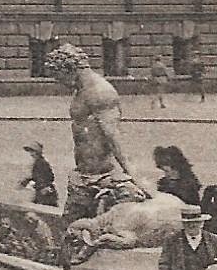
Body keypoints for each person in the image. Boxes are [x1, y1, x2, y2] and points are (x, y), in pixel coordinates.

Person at [45, 43, 151, 220]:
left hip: (102, 176)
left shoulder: (100, 92)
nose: (58, 82)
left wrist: (134, 175)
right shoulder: (81, 90)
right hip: (83, 175)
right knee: (72, 232)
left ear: (69, 68)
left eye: (58, 76)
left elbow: (113, 137)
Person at [19, 142, 59, 207]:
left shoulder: (41, 163)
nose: (31, 154)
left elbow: (50, 177)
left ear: (38, 152)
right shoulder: (38, 162)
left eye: (32, 152)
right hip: (42, 191)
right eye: (30, 152)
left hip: (45, 192)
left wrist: (43, 187)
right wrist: (25, 182)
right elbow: (35, 177)